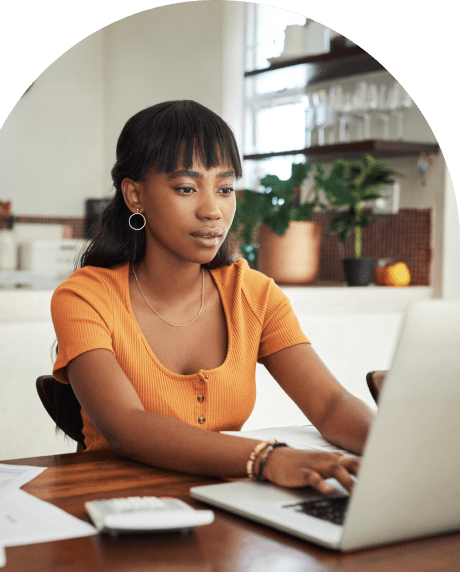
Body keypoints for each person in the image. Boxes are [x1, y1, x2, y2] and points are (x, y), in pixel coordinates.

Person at [51, 100, 374, 495]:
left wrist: (398, 449)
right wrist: (265, 458)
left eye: (225, 189)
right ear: (135, 196)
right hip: (116, 511)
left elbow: (330, 404)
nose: (213, 211)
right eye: (186, 188)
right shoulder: (85, 297)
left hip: (229, 509)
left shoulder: (253, 295)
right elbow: (126, 427)